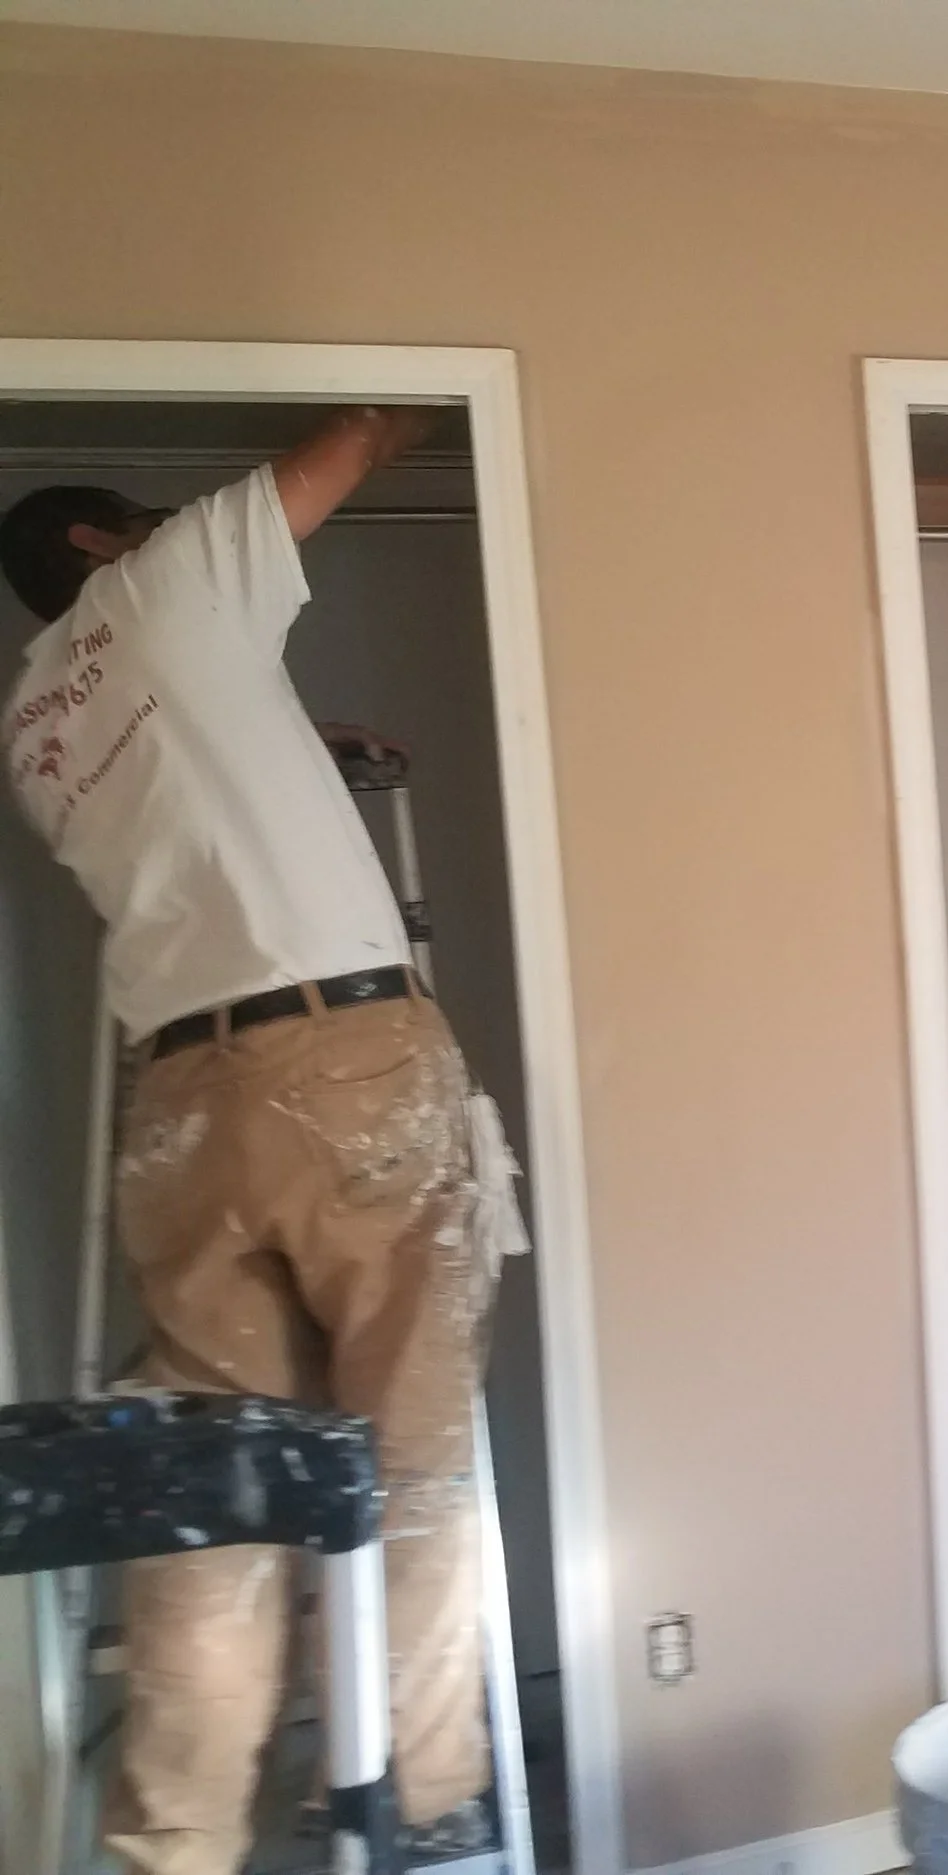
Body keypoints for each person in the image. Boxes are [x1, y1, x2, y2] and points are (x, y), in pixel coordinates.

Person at [0, 408, 496, 1875]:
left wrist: (309, 743)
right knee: (408, 1453)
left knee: (214, 1502)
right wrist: (413, 377)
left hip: (182, 1115)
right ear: (100, 543)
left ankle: (177, 1842)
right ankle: (419, 1796)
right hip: (345, 1068)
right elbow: (348, 443)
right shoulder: (159, 590)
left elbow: (193, 807)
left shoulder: (36, 717)